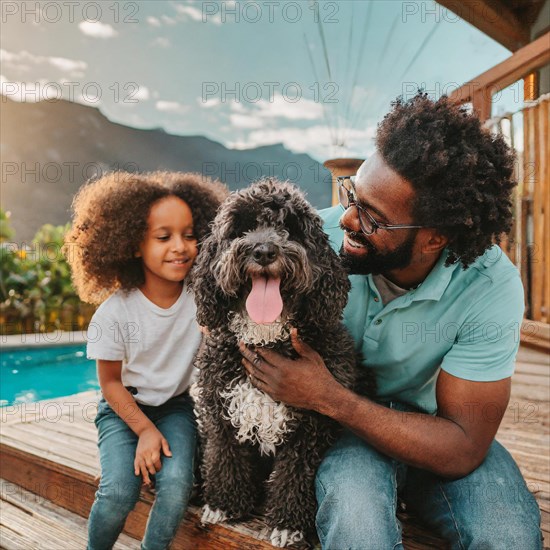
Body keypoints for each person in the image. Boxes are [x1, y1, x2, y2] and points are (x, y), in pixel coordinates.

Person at [239, 93, 542, 549]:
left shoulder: (491, 286)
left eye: (372, 218)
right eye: (353, 197)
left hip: (434, 429)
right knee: (359, 528)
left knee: (510, 540)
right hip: (344, 437)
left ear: (435, 237)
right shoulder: (310, 239)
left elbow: (462, 446)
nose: (346, 219)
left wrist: (329, 397)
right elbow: (222, 289)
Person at [64, 171, 226, 550]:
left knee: (176, 486)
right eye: (163, 236)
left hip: (175, 409)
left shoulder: (203, 301)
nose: (181, 247)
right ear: (134, 244)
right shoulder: (114, 314)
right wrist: (144, 431)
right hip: (122, 411)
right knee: (120, 490)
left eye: (189, 234)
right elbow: (109, 385)